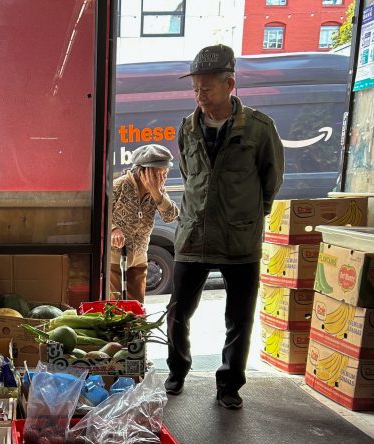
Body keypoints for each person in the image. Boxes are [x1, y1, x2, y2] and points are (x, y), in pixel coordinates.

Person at [165, 44, 284, 409]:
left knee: (239, 317)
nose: (200, 95)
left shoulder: (260, 129)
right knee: (177, 312)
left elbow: (271, 178)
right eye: (195, 88)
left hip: (239, 237)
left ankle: (230, 384)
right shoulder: (187, 128)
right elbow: (190, 176)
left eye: (207, 88)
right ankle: (177, 371)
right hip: (195, 234)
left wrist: (250, 215)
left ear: (229, 84)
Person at [109, 144, 179, 302]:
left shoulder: (159, 191)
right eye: (158, 174)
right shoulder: (118, 186)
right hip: (115, 258)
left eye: (165, 173)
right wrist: (113, 229)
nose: (163, 179)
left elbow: (171, 216)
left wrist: (156, 193)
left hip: (139, 257)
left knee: (136, 308)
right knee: (114, 307)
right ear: (142, 172)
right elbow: (102, 216)